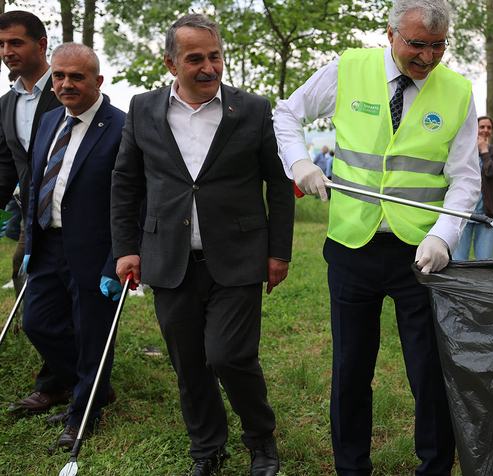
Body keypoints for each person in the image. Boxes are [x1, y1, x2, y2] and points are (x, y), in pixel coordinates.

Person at [273, 0, 480, 472]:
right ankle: (351, 467)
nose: (427, 58)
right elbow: (286, 114)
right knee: (350, 370)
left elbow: (465, 178)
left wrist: (444, 237)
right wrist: (300, 162)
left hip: (421, 255)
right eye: (416, 45)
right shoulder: (349, 68)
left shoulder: (458, 92)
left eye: (438, 46)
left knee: (430, 372)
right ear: (390, 34)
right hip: (352, 249)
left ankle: (434, 467)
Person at [110, 13, 293, 476]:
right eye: (195, 58)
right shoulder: (142, 108)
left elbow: (277, 180)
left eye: (215, 56)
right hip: (167, 258)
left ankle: (261, 441)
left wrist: (279, 251)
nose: (209, 66)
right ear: (171, 63)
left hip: (239, 256)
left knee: (229, 356)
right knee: (189, 364)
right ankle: (207, 449)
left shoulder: (252, 109)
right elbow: (126, 181)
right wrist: (126, 248)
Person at [22, 42, 125, 451]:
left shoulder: (122, 127)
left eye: (77, 77)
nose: (66, 84)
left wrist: (117, 258)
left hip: (96, 251)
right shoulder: (48, 121)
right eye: (59, 76)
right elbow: (34, 185)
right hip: (48, 243)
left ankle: (83, 415)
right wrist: (31, 239)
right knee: (38, 323)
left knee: (92, 335)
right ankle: (93, 386)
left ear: (97, 81)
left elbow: (133, 200)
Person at [0, 10, 72, 419]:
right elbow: (7, 165)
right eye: (2, 45)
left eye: (16, 43)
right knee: (27, 283)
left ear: (41, 44)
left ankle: (59, 384)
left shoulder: (69, 83)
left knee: (71, 299)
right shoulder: (6, 104)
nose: (7, 52)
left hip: (77, 214)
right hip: (34, 217)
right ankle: (66, 376)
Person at [453, 115, 493, 260]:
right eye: (482, 127)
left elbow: (491, 172)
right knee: (458, 260)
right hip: (463, 213)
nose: (485, 130)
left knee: (485, 261)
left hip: (486, 216)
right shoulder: (464, 150)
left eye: (489, 127)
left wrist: (485, 151)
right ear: (475, 128)